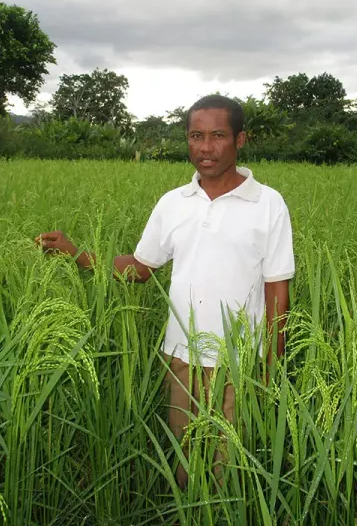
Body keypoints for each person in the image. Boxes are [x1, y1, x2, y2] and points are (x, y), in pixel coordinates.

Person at [35, 94, 295, 488]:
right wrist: (76, 255)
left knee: (230, 472)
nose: (205, 148)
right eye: (195, 135)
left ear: (240, 140)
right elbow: (139, 269)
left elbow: (278, 292)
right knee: (185, 463)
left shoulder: (268, 203)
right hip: (181, 358)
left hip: (238, 364)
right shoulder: (174, 203)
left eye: (217, 135)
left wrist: (272, 367)